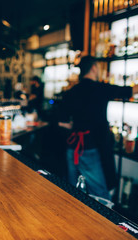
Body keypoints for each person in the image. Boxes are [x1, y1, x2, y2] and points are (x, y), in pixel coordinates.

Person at [58, 56, 138, 200]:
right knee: (100, 194)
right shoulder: (101, 88)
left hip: (72, 147)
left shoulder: (71, 91)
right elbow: (130, 91)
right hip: (89, 147)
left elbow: (62, 122)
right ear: (94, 68)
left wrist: (75, 126)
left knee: (72, 191)